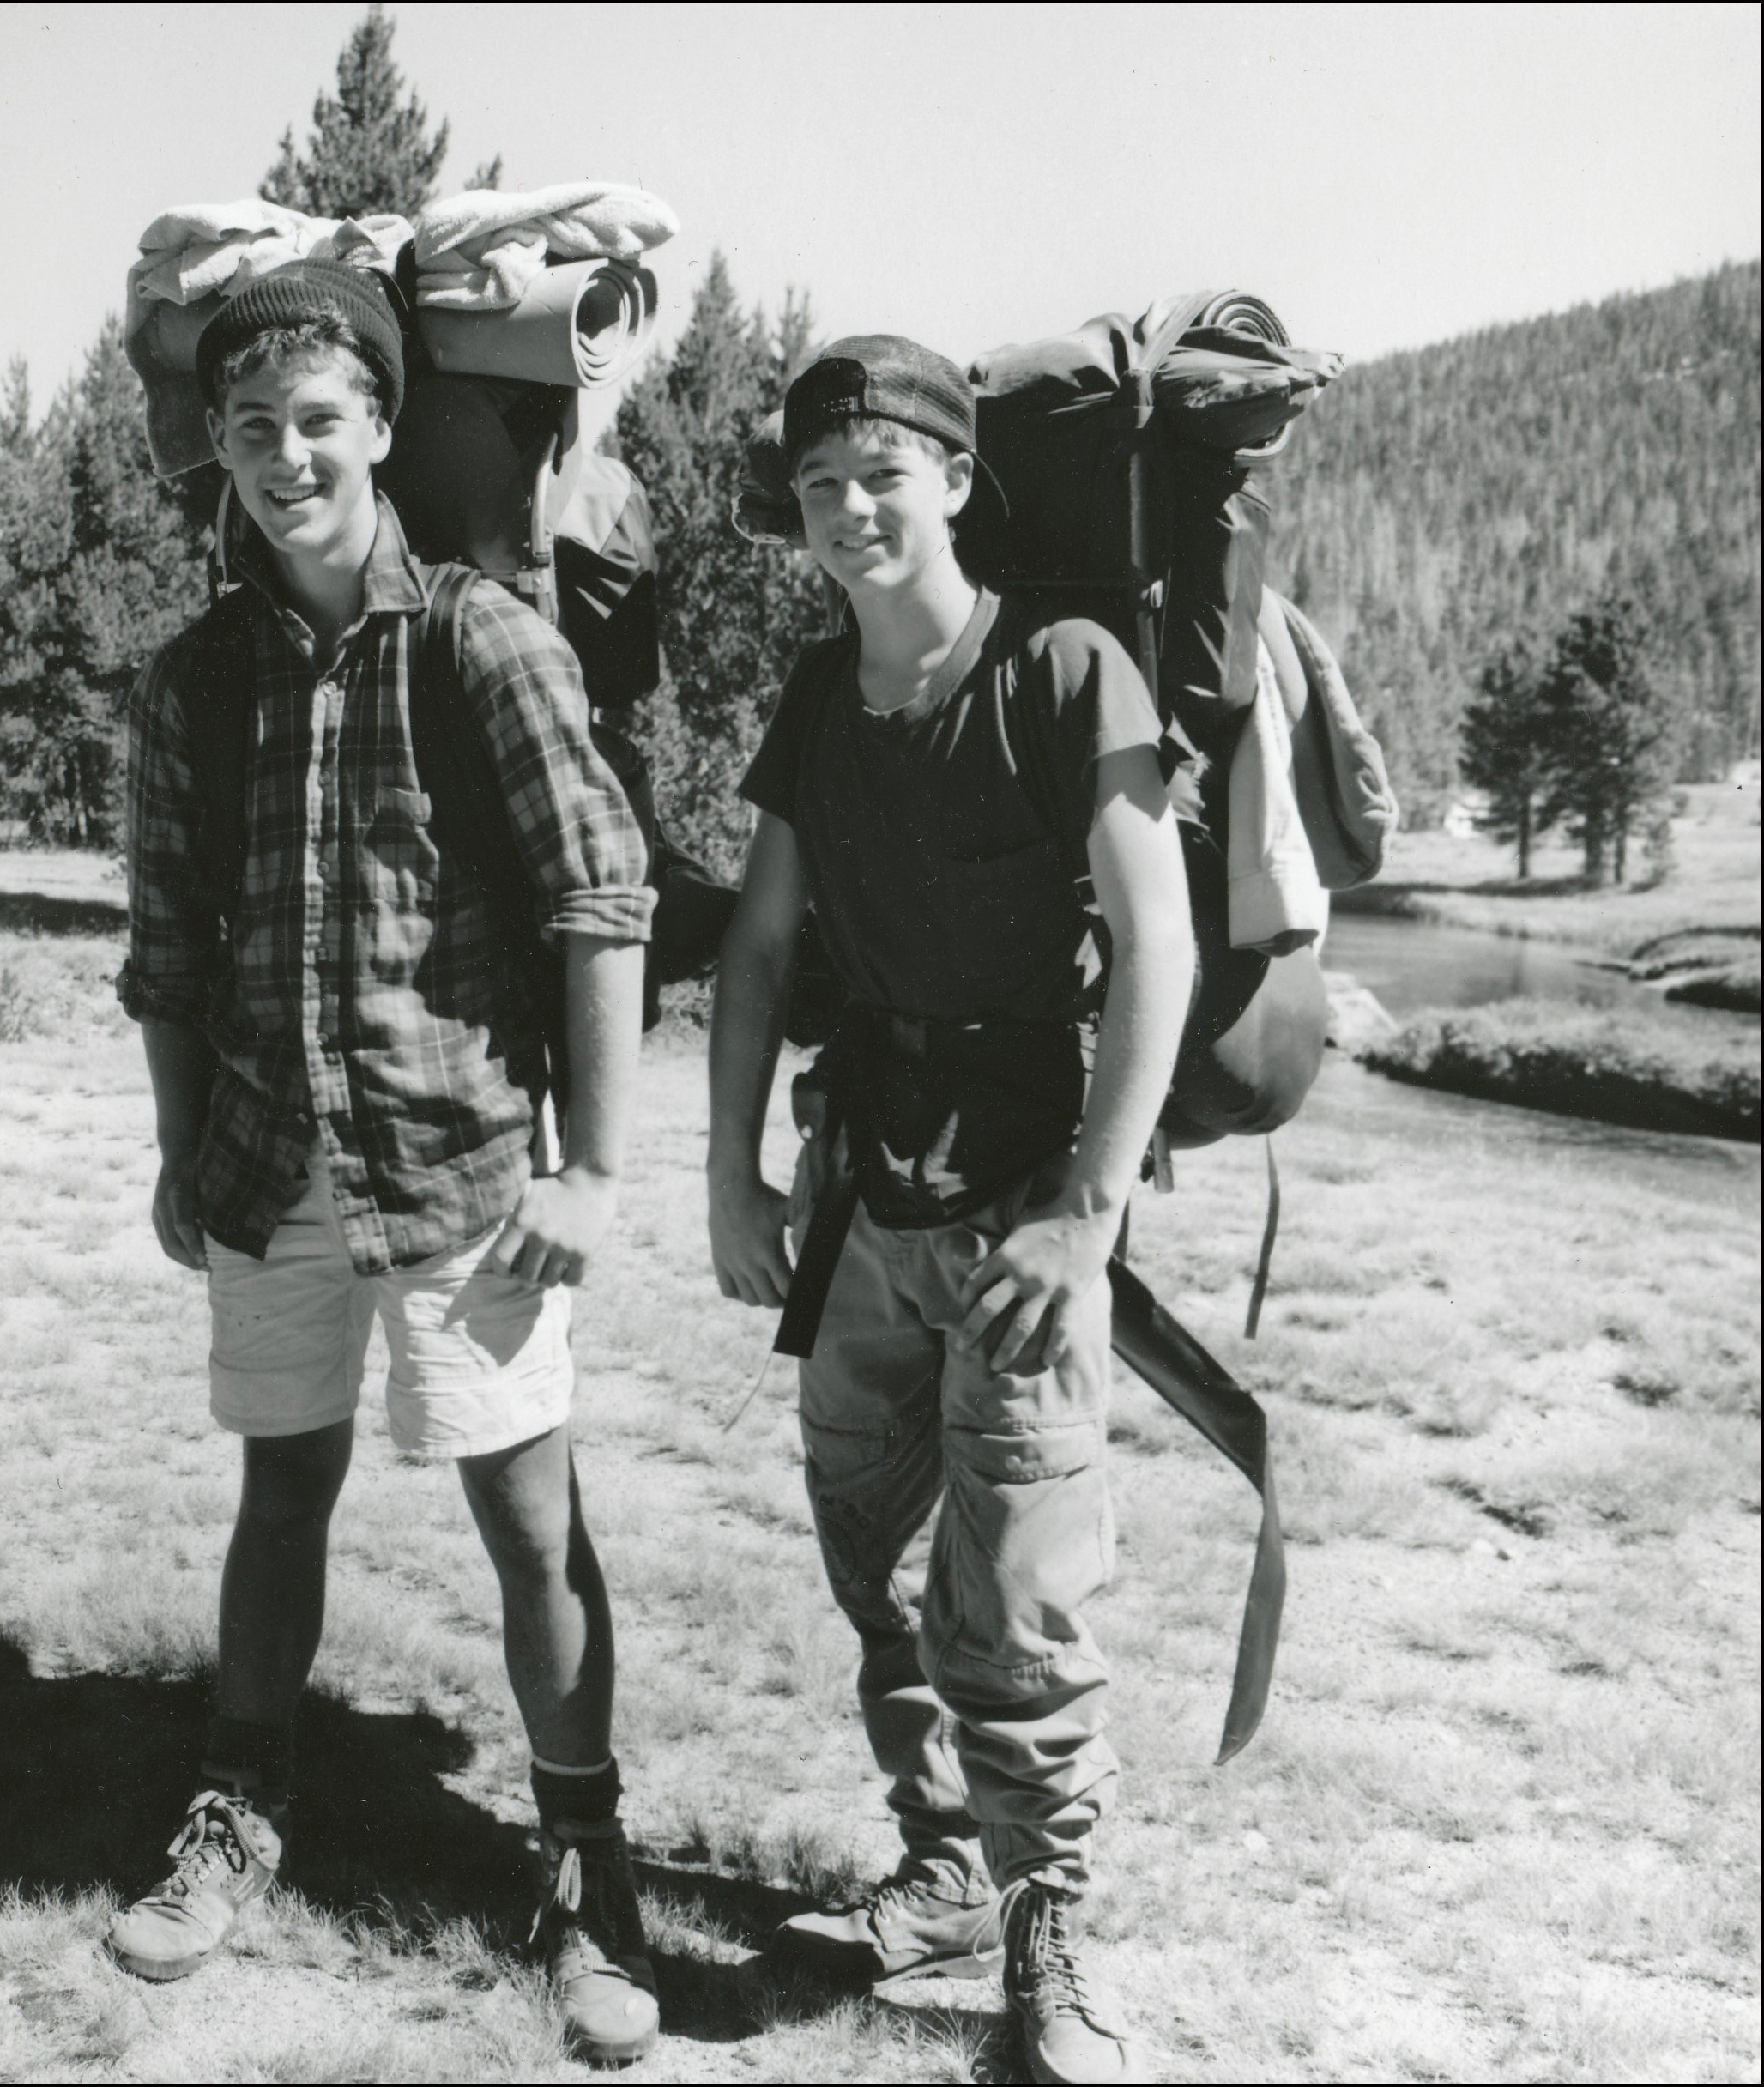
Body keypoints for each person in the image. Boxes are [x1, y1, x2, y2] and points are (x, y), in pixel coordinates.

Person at [110, 258, 662, 2066]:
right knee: (282, 1495)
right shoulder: (191, 677)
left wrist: (592, 1169)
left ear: (380, 432)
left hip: (464, 1164)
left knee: (526, 1521)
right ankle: (237, 1811)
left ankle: (584, 1866)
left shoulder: (478, 637)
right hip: (271, 1160)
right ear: (218, 445)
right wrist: (182, 1140)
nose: (289, 458)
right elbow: (168, 947)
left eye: (322, 424)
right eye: (255, 429)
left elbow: (599, 896)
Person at [704, 338, 1193, 2086]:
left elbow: (1160, 942)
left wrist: (1087, 1214)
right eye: (821, 486)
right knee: (870, 1543)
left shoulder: (1068, 671)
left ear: (956, 480)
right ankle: (939, 1851)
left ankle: (1048, 1930)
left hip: (1019, 1208)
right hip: (859, 1198)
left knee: (1026, 1584)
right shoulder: (821, 697)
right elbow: (758, 945)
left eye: (881, 474)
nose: (848, 512)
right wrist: (733, 1170)